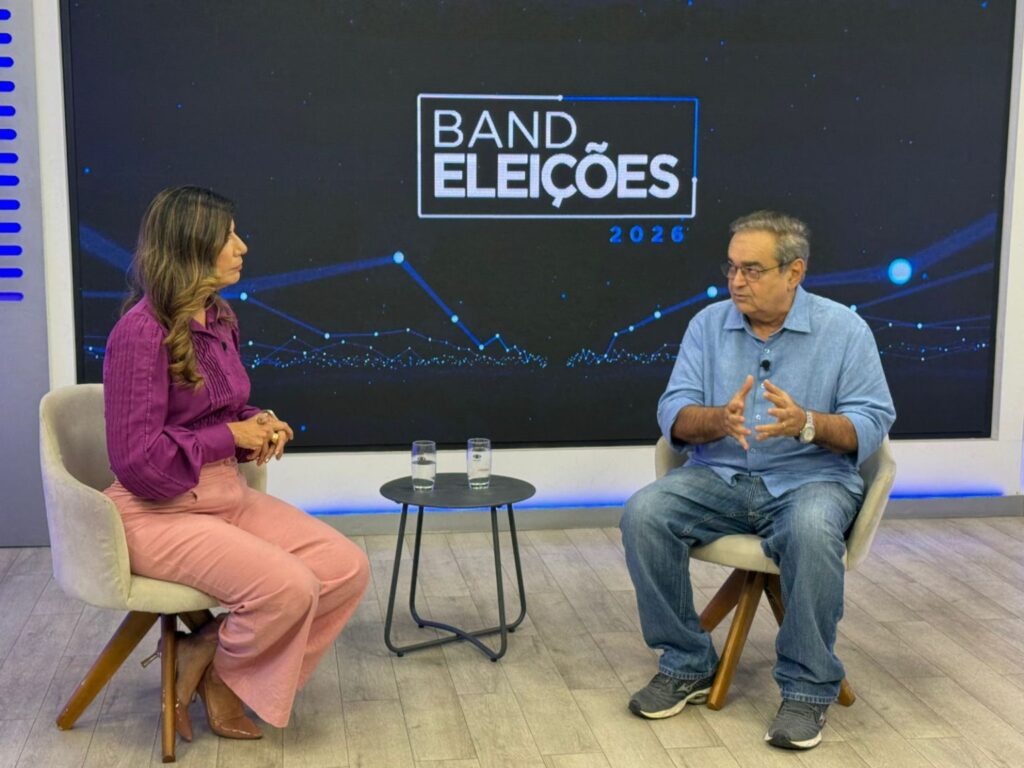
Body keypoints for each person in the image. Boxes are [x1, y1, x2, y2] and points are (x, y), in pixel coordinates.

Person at [619, 211, 895, 750]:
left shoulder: (845, 331)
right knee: (643, 513)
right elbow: (673, 411)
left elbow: (871, 422)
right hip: (718, 476)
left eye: (752, 269)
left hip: (812, 480)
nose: (736, 281)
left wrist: (808, 424)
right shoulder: (707, 325)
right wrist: (718, 420)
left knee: (812, 530)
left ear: (794, 272)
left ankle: (808, 689)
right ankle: (687, 663)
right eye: (731, 267)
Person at [103, 186, 370, 741]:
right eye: (227, 237)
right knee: (290, 588)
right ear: (191, 246)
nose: (242, 246)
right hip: (156, 512)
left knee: (346, 568)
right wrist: (230, 436)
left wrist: (256, 424)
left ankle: (211, 660)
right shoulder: (140, 332)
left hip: (223, 495)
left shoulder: (219, 317)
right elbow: (138, 463)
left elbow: (218, 411)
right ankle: (225, 676)